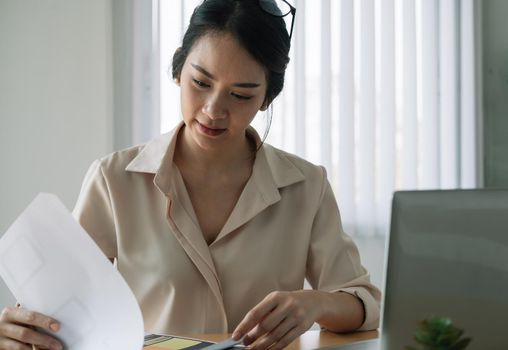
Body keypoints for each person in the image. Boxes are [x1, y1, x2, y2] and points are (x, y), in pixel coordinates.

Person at [0, 0, 381, 349]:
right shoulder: (113, 180)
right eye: (201, 83)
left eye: (242, 94)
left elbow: (363, 303)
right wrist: (22, 329)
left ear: (267, 97)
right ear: (178, 71)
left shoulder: (306, 186)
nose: (214, 110)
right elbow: (60, 307)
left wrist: (314, 304)